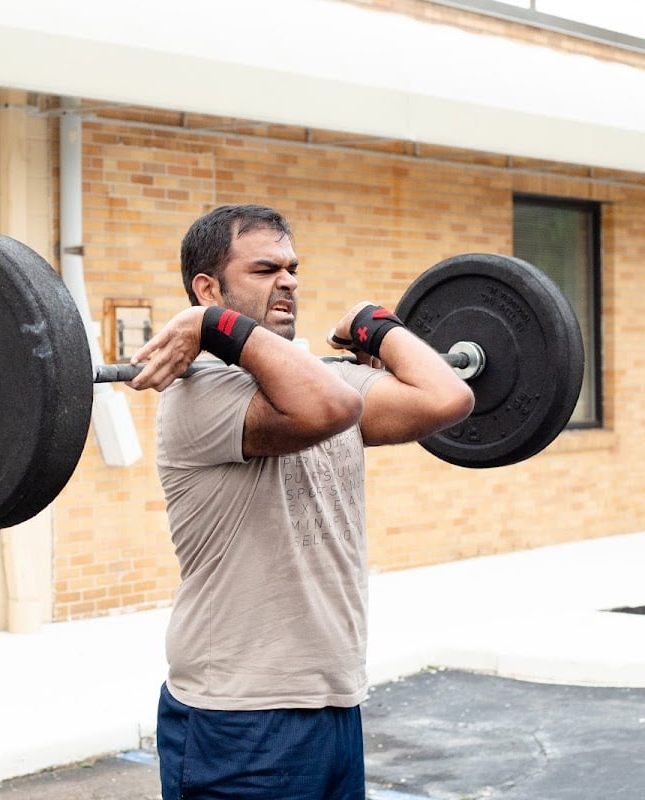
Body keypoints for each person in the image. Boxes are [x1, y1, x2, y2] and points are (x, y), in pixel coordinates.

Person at [127, 204, 474, 799]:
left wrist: (377, 326)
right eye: (265, 269)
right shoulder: (200, 396)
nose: (288, 280)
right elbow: (331, 410)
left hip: (335, 704)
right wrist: (213, 327)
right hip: (239, 718)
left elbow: (447, 398)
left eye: (292, 268)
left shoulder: (316, 376)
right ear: (208, 288)